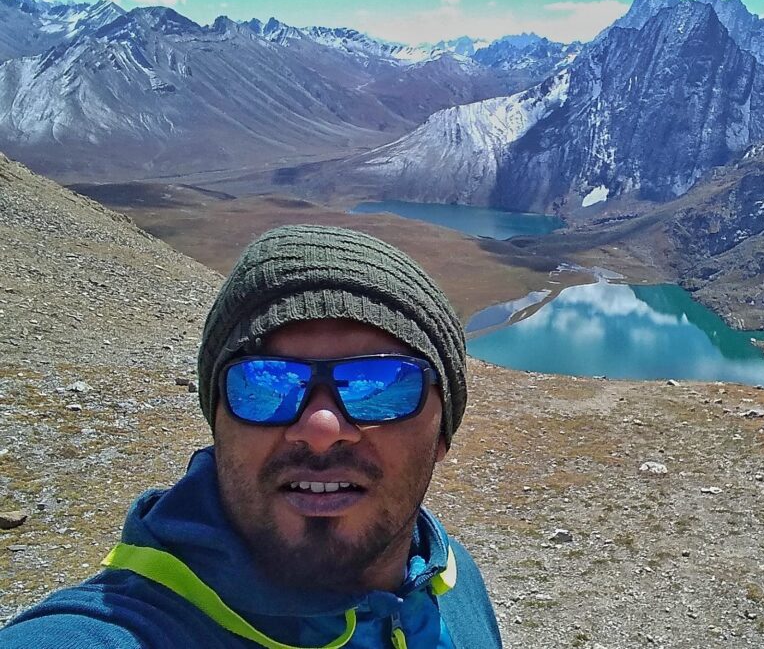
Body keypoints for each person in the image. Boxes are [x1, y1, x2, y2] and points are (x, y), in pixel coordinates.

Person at [0, 224, 503, 648]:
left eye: (383, 386)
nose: (321, 428)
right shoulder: (115, 630)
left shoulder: (454, 582)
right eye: (265, 384)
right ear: (217, 421)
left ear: (442, 433)